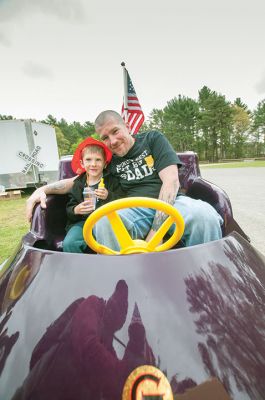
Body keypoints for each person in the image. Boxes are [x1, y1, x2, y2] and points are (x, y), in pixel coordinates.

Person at [26, 110, 223, 251]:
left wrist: (155, 234)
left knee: (204, 216)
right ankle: (122, 286)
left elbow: (171, 181)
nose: (112, 141)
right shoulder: (108, 159)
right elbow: (75, 181)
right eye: (105, 137)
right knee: (103, 222)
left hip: (171, 203)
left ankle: (206, 279)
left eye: (115, 131)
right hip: (132, 209)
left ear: (127, 126)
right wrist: (42, 190)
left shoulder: (152, 139)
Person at [63, 137, 125, 253]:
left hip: (107, 222)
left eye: (98, 160)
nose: (93, 164)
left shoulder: (112, 181)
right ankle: (78, 269)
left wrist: (109, 196)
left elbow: (123, 202)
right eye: (88, 160)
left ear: (105, 163)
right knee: (70, 243)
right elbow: (69, 208)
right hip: (83, 223)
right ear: (82, 163)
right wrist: (76, 210)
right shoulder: (78, 184)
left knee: (110, 241)